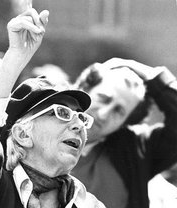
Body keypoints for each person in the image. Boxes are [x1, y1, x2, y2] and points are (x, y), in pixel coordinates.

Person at [0, 8, 105, 208]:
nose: (78, 125)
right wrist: (16, 56)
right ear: (23, 134)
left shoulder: (89, 205)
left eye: (81, 118)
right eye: (63, 113)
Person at [71, 58, 177, 208]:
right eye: (103, 99)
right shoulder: (40, 128)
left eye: (119, 111)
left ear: (127, 122)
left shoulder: (136, 150)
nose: (103, 114)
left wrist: (151, 76)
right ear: (84, 89)